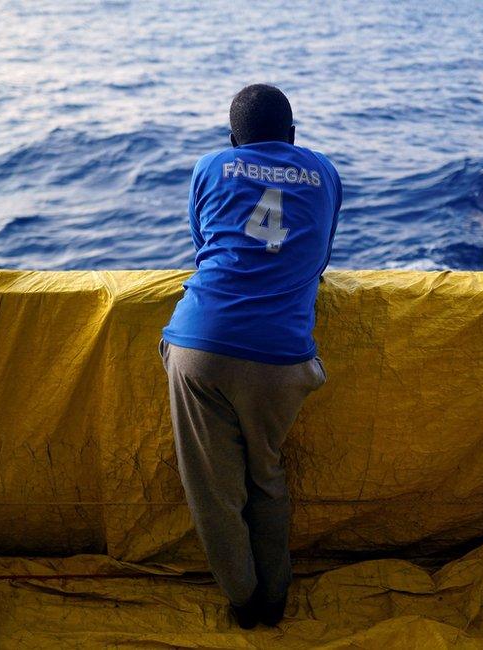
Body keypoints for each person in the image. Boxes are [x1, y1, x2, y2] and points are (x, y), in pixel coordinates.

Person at [158, 83, 342, 629]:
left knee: (213, 489)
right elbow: (321, 258)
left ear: (233, 139)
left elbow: (203, 245)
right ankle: (277, 597)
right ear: (292, 135)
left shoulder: (212, 165)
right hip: (282, 356)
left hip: (202, 346)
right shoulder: (325, 171)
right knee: (267, 476)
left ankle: (243, 603)